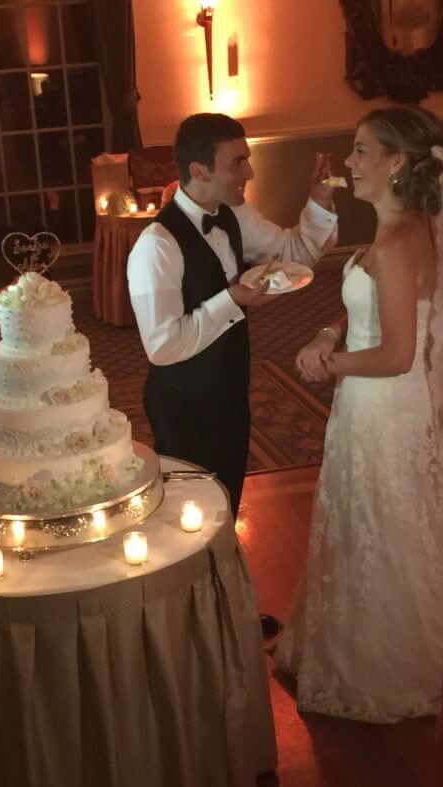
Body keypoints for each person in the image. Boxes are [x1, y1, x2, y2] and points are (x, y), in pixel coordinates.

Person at [275, 106, 443, 723]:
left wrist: (329, 365)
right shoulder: (401, 228)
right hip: (372, 402)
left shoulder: (401, 241)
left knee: (385, 525)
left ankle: (386, 666)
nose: (349, 162)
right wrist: (328, 331)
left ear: (398, 162)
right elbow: (372, 305)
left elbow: (399, 354)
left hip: (384, 404)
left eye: (361, 150)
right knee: (374, 522)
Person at [127, 113, 338, 518]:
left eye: (247, 159)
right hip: (183, 403)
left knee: (227, 502)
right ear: (199, 170)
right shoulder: (156, 245)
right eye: (237, 163)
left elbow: (293, 254)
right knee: (190, 516)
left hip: (231, 386)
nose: (250, 172)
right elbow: (163, 347)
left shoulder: (234, 214)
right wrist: (233, 300)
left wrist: (320, 201)